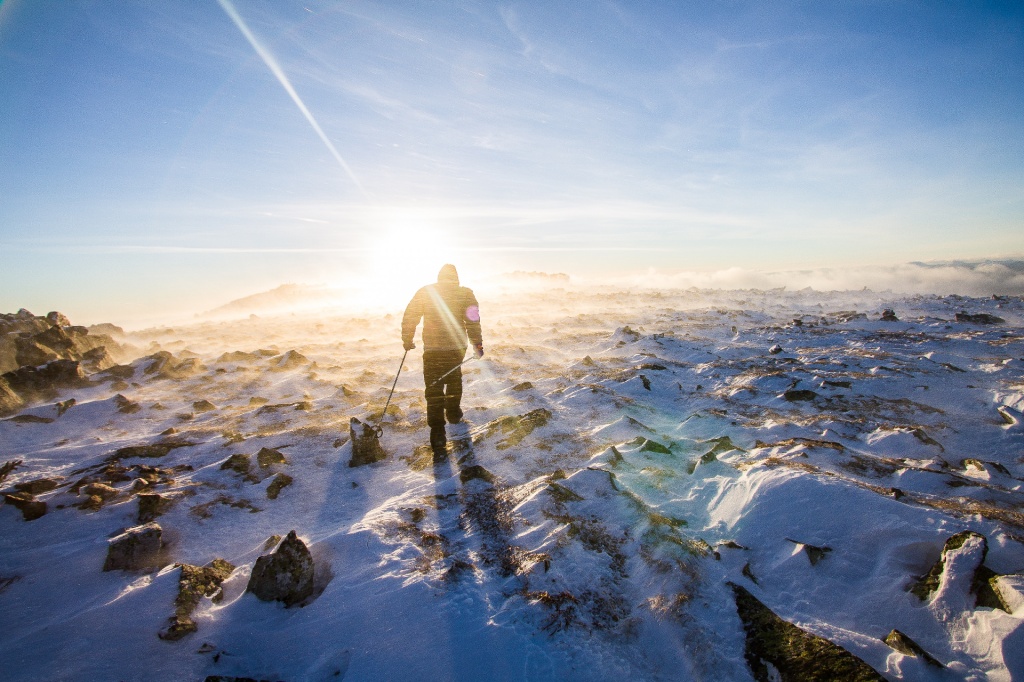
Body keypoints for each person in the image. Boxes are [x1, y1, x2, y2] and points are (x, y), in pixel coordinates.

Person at [402, 264, 484, 457]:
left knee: (433, 387)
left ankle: (437, 432)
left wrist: (407, 339)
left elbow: (410, 315)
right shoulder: (465, 293)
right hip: (456, 348)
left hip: (432, 348)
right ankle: (454, 413)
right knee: (454, 379)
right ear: (456, 277)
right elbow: (473, 321)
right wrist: (478, 345)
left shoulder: (426, 292)